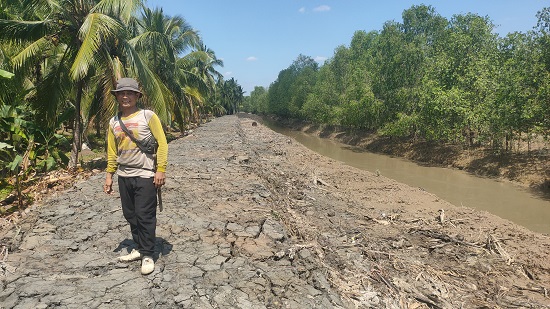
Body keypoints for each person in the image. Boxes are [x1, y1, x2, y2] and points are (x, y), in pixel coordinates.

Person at [103, 77, 168, 275]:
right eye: (121, 93)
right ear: (117, 97)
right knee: (130, 214)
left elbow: (162, 143)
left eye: (130, 93)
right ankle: (139, 248)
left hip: (145, 174)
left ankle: (148, 254)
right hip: (124, 175)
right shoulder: (114, 122)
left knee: (145, 215)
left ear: (137, 96)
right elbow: (112, 151)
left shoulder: (148, 116)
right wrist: (109, 176)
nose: (125, 96)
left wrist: (161, 169)